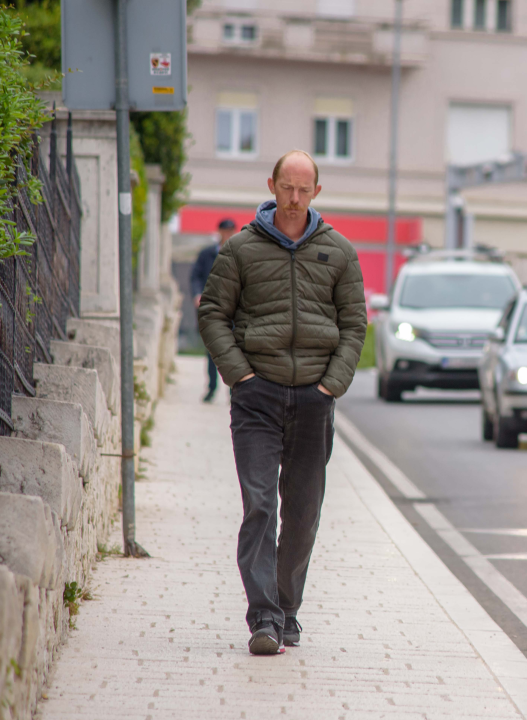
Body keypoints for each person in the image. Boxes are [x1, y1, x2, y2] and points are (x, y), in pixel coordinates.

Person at [198, 150, 366, 656]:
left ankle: (288, 609)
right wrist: (240, 377)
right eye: (286, 188)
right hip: (258, 397)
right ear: (271, 185)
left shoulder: (339, 252)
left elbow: (355, 325)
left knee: (302, 513)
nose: (294, 199)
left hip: (315, 399)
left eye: (303, 189)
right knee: (260, 507)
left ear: (317, 191)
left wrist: (331, 385)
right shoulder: (241, 250)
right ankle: (264, 618)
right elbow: (212, 314)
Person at [191, 218, 237, 402]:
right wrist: (197, 294)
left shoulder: (240, 253)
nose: (227, 234)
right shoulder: (207, 254)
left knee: (233, 351)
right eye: (225, 231)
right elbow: (196, 276)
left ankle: (234, 390)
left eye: (230, 231)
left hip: (234, 310)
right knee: (212, 350)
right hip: (212, 309)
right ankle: (211, 388)